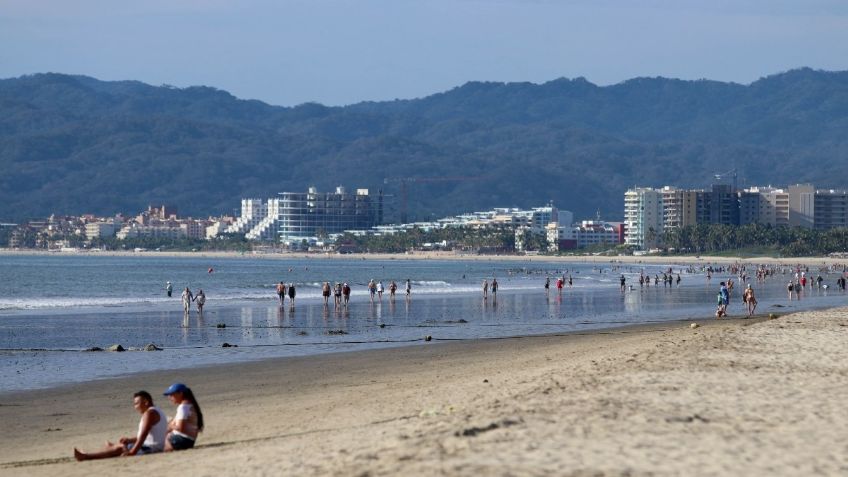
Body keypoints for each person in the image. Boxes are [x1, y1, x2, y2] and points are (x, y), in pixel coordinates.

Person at [73, 391, 167, 460]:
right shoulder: (156, 410)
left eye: (136, 403)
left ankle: (86, 456)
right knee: (121, 445)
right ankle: (104, 449)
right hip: (153, 447)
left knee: (120, 447)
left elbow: (144, 434)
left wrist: (132, 452)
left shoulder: (149, 413)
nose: (135, 407)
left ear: (146, 402)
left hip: (151, 449)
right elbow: (149, 435)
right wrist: (130, 440)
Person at [163, 383, 204, 451]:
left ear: (180, 393)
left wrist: (170, 426)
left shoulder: (183, 407)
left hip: (180, 440)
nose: (169, 397)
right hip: (188, 440)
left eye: (171, 395)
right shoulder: (190, 404)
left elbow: (180, 428)